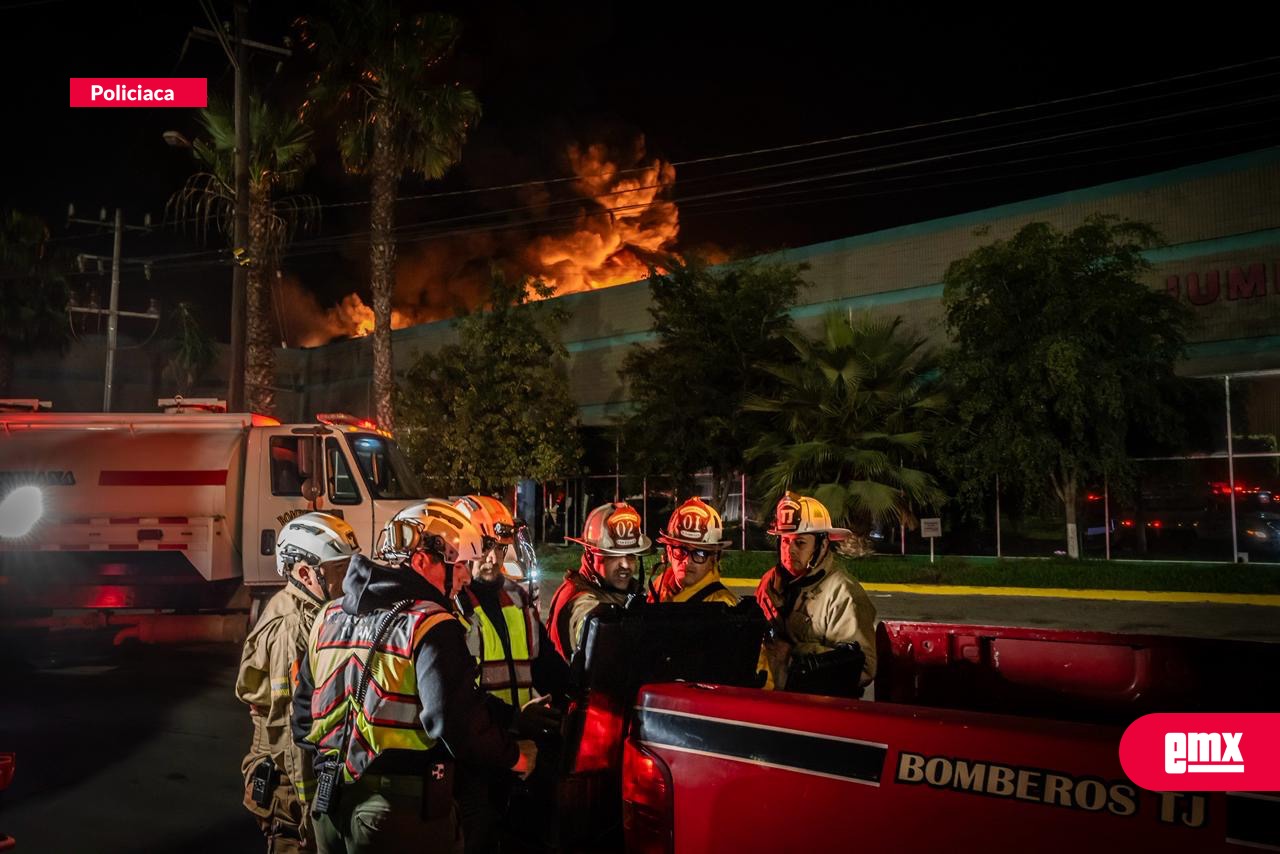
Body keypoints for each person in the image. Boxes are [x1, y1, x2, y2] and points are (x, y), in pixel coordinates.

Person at [292, 500, 536, 854]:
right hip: (398, 815)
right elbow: (455, 723)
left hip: (329, 809)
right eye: (459, 565)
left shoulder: (328, 616)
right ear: (423, 561)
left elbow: (302, 722)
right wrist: (515, 756)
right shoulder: (430, 624)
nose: (466, 576)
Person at [452, 495, 570, 854]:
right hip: (472, 757)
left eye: (500, 548)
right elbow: (458, 694)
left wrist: (582, 689)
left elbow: (546, 666)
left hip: (520, 747)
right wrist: (516, 721)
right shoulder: (451, 604)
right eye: (485, 547)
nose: (492, 559)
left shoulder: (517, 598)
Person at [236, 512, 359, 853]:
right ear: (305, 572)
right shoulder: (291, 624)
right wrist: (311, 811)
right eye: (338, 571)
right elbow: (288, 728)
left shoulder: (316, 612)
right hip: (290, 789)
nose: (348, 580)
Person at [754, 492, 878, 697]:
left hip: (823, 707)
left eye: (800, 543)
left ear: (823, 544)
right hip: (774, 699)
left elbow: (864, 669)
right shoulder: (770, 582)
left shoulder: (843, 594)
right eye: (785, 541)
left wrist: (794, 656)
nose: (790, 550)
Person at [547, 501, 652, 661]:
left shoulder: (623, 592)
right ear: (590, 555)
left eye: (631, 555)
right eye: (613, 555)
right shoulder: (581, 600)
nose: (625, 564)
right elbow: (593, 629)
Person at [646, 497, 738, 606]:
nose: (687, 560)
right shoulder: (659, 588)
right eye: (680, 550)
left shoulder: (723, 604)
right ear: (669, 553)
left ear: (714, 559)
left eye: (699, 553)